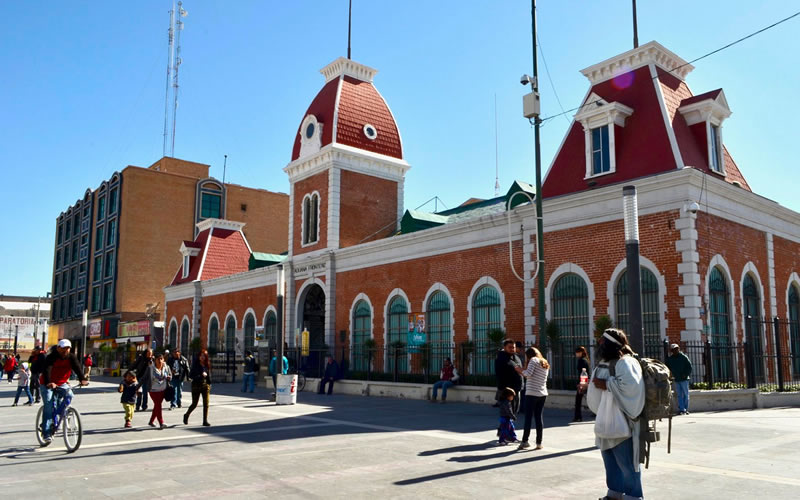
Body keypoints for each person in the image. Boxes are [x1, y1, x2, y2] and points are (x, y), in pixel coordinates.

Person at [587, 328, 646, 500]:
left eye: (602, 341)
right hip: (605, 422)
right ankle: (614, 494)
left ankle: (634, 496)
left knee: (628, 466)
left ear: (610, 344)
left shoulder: (626, 362)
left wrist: (606, 384)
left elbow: (631, 389)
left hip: (624, 424)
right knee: (611, 464)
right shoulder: (604, 362)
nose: (599, 343)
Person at [40, 339, 89, 445]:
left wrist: (82, 379)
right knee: (48, 404)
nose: (65, 351)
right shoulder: (51, 357)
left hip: (62, 383)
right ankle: (46, 432)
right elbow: (47, 370)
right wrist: (49, 382)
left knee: (70, 394)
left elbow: (77, 368)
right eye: (63, 348)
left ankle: (58, 413)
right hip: (47, 383)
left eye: (67, 348)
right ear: (58, 348)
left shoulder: (71, 357)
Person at [516, 347, 549, 450]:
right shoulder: (544, 362)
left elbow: (528, 374)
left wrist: (519, 369)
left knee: (528, 418)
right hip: (542, 393)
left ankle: (525, 441)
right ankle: (539, 443)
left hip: (532, 393)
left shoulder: (533, 360)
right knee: (539, 418)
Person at [184, 349, 212, 427]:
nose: (203, 357)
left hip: (205, 386)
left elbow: (208, 375)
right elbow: (191, 376)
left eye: (204, 356)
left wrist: (209, 384)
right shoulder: (195, 365)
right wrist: (200, 375)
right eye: (201, 356)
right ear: (199, 356)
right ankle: (186, 415)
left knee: (206, 404)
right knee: (194, 404)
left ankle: (205, 421)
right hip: (196, 386)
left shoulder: (207, 365)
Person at [494, 339, 524, 413]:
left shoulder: (516, 357)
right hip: (507, 391)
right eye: (510, 347)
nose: (512, 349)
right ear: (504, 347)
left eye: (513, 347)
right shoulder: (501, 358)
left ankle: (510, 424)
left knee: (514, 411)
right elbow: (500, 374)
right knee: (506, 413)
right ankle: (505, 425)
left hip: (517, 389)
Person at [144, 353, 172, 429]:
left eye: (161, 359)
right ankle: (161, 422)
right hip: (153, 390)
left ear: (163, 360)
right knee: (158, 405)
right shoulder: (150, 368)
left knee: (157, 406)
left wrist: (169, 377)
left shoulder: (166, 367)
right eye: (158, 359)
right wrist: (137, 388)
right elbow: (144, 378)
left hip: (163, 389)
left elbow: (170, 375)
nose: (160, 360)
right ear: (155, 360)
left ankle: (151, 421)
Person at [665, 343, 692, 415]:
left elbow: (689, 367)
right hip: (676, 379)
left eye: (677, 349)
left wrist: (685, 374)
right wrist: (671, 376)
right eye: (674, 349)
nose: (675, 350)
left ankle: (686, 409)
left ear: (678, 349)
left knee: (686, 394)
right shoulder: (670, 359)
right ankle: (681, 409)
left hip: (684, 379)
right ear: (672, 351)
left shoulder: (684, 357)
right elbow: (667, 368)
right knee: (679, 395)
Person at [574, 345, 591, 422]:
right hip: (585, 381)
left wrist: (581, 383)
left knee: (578, 400)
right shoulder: (585, 360)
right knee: (580, 399)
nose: (576, 354)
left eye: (577, 353)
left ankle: (578, 416)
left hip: (583, 382)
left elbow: (583, 372)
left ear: (580, 353)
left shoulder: (582, 361)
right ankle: (578, 416)